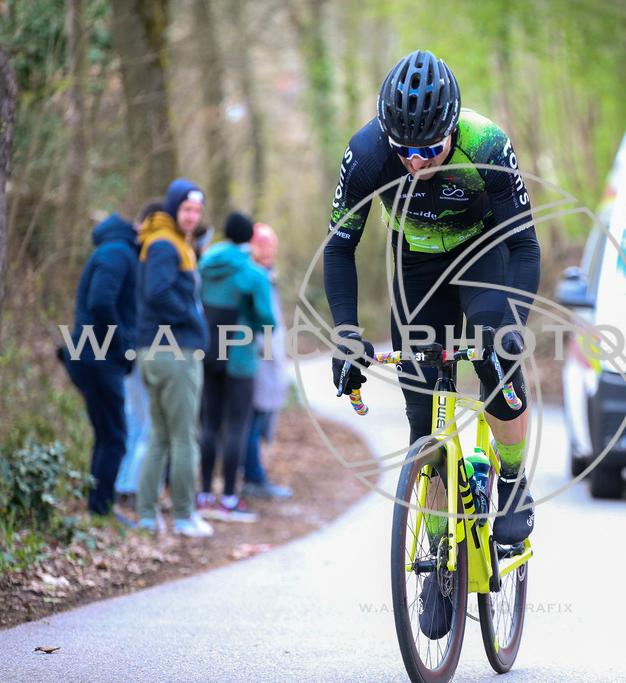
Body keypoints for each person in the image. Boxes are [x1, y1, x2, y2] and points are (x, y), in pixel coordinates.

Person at [323, 50, 539, 637]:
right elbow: (340, 249)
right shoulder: (367, 153)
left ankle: (514, 483)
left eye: (430, 149)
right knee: (425, 424)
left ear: (452, 129)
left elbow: (524, 246)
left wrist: (511, 323)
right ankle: (441, 558)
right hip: (415, 266)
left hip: (483, 254)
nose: (415, 161)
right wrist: (345, 337)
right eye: (404, 150)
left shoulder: (486, 144)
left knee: (497, 357)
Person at [135, 178, 213, 537]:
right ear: (172, 208)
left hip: (153, 351)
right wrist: (191, 316)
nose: (193, 216)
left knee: (161, 437)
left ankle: (147, 516)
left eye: (197, 210)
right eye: (186, 209)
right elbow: (158, 292)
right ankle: (184, 516)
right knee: (184, 437)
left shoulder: (166, 239)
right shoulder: (166, 244)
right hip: (173, 352)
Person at [197, 211, 276, 521]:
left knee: (208, 425)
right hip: (240, 359)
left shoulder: (206, 264)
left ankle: (204, 496)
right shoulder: (253, 273)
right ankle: (229, 500)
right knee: (237, 428)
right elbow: (268, 319)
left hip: (208, 352)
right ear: (248, 239)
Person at [63, 212, 139, 519]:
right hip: (97, 357)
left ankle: (99, 507)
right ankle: (100, 510)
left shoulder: (113, 249)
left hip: (94, 355)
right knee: (115, 437)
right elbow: (100, 302)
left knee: (108, 434)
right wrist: (121, 347)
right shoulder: (117, 252)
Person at [115, 199, 163, 512]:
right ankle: (133, 487)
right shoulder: (142, 258)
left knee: (134, 420)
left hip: (128, 348)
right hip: (139, 347)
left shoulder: (128, 254)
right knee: (147, 422)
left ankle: (123, 483)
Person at [241, 223, 293, 500]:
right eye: (263, 245)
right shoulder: (253, 277)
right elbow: (259, 324)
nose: (268, 250)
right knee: (253, 422)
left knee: (260, 422)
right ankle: (252, 478)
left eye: (271, 245)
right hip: (258, 363)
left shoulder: (269, 276)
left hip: (270, 364)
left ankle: (254, 474)